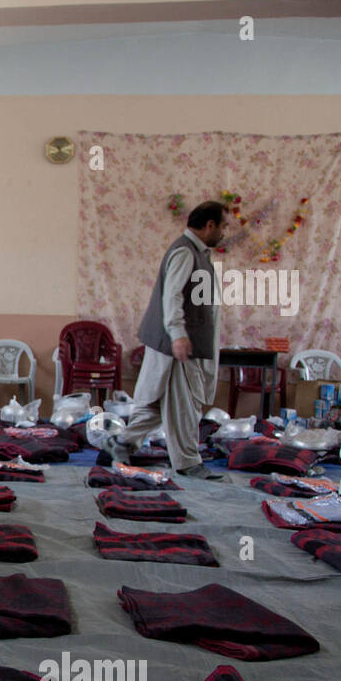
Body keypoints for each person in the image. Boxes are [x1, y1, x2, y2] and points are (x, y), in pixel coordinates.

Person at [105, 201, 228, 482]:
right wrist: (179, 334)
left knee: (158, 403)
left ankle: (121, 443)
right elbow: (172, 295)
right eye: (223, 226)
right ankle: (188, 462)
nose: (224, 233)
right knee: (185, 404)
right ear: (209, 225)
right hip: (177, 345)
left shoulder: (197, 253)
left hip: (176, 342)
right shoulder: (185, 252)